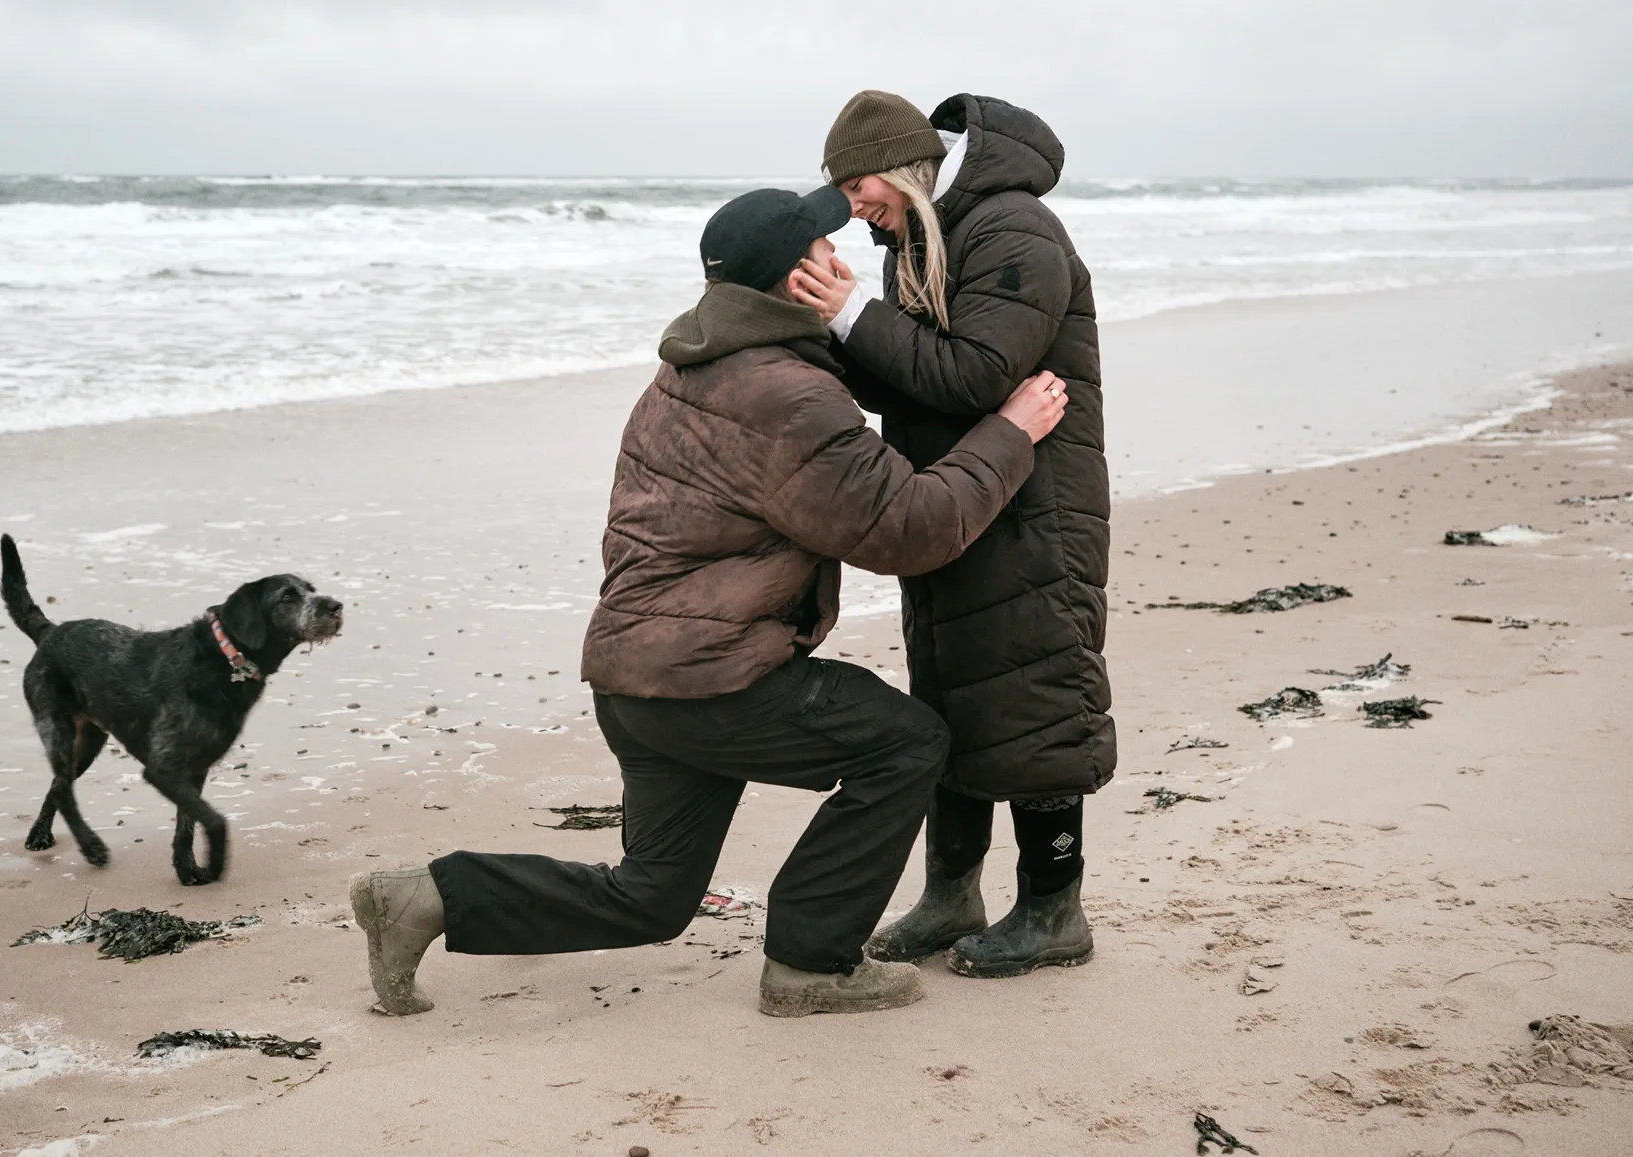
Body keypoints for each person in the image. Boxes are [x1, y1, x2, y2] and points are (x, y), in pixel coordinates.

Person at [352, 183, 1069, 1018]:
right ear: (793, 281)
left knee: (649, 897)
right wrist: (1010, 431)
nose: (841, 263)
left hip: (635, 680)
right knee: (908, 743)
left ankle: (425, 896)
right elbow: (909, 527)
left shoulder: (686, 368)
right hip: (713, 681)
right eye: (824, 253)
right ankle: (810, 961)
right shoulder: (789, 398)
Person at [786, 90, 1113, 979]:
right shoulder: (917, 242)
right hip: (955, 492)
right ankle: (951, 893)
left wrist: (852, 315)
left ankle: (1054, 909)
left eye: (860, 188)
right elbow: (913, 381)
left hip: (1037, 505)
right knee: (950, 690)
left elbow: (975, 374)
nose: (856, 210)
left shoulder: (1015, 229)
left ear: (904, 169)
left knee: (1035, 688)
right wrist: (823, 327)